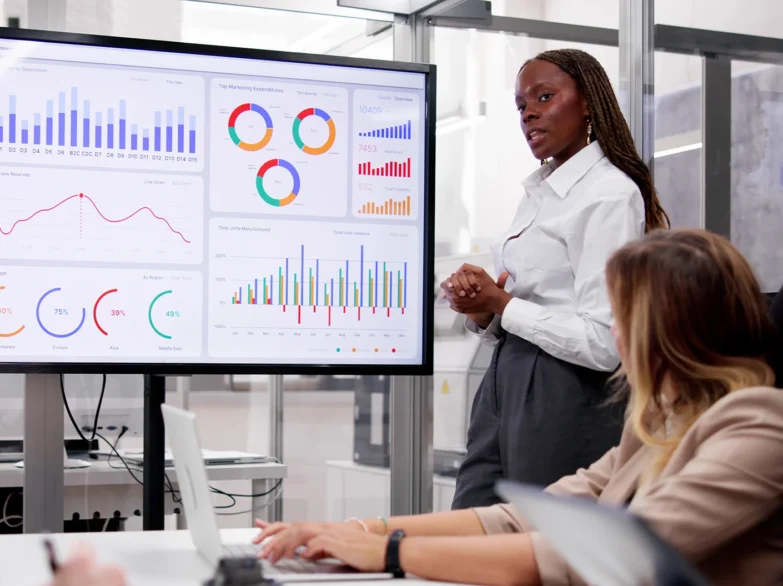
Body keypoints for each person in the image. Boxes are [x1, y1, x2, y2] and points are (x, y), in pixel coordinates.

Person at [254, 229, 783, 586]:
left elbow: (605, 556)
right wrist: (359, 531)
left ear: (666, 330)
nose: (615, 335)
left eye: (622, 317)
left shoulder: (759, 427)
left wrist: (389, 553)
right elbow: (519, 518)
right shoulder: (659, 424)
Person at [443, 48, 670, 508]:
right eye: (521, 106)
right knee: (474, 514)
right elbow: (522, 299)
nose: (529, 114)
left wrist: (505, 305)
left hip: (566, 389)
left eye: (544, 97)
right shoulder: (540, 191)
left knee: (532, 536)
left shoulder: (607, 194)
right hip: (507, 375)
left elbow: (603, 343)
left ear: (588, 102)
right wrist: (483, 305)